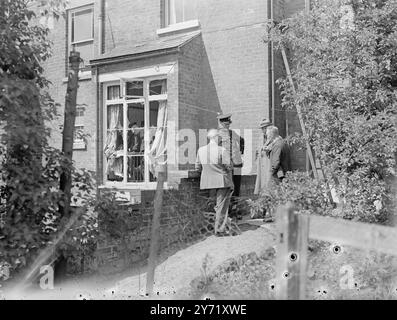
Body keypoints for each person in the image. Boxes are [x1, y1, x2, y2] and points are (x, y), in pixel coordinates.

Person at [195, 129, 234, 236]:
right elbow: (229, 166)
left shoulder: (200, 150)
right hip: (222, 181)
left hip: (207, 182)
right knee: (222, 206)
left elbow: (197, 167)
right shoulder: (222, 150)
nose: (221, 139)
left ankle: (215, 226)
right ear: (216, 137)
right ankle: (220, 229)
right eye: (220, 137)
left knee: (213, 205)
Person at [217, 113, 244, 220]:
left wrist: (241, 153)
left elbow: (242, 141)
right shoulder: (217, 135)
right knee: (228, 188)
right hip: (225, 167)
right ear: (220, 123)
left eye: (228, 124)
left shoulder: (233, 133)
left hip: (237, 165)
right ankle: (226, 212)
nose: (227, 126)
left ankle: (235, 210)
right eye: (225, 124)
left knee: (237, 188)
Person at [254, 118, 273, 195]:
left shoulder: (273, 138)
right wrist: (256, 162)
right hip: (261, 167)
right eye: (262, 128)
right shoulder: (260, 138)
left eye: (265, 128)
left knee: (269, 188)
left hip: (269, 166)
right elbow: (257, 151)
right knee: (262, 188)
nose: (263, 130)